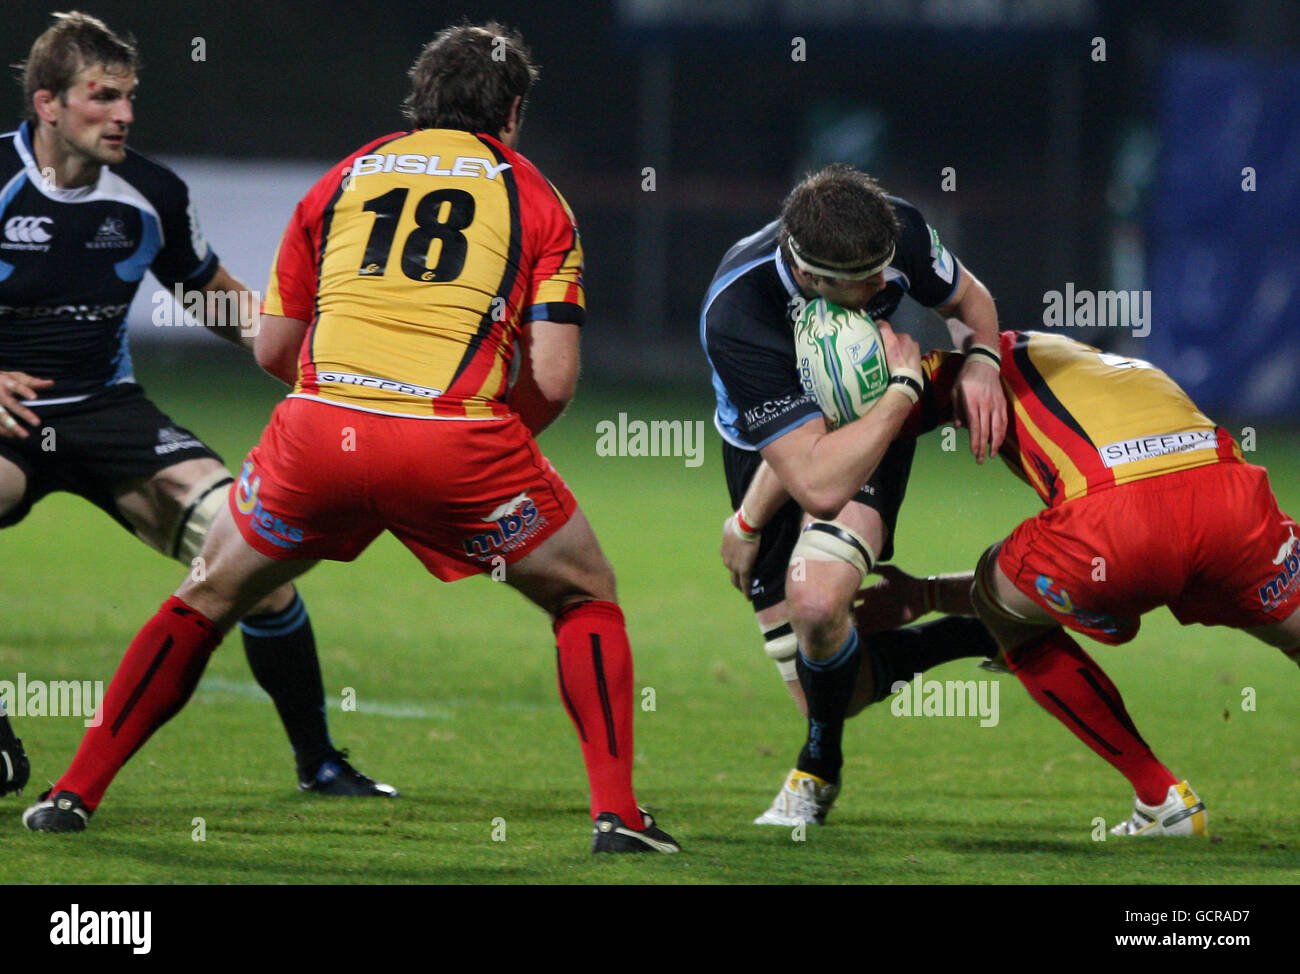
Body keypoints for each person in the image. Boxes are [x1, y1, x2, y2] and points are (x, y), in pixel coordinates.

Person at [23, 21, 681, 855]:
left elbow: (273, 347)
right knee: (584, 594)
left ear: (419, 100)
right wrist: (481, 450)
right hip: (455, 445)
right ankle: (618, 817)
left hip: (318, 430)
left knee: (207, 596)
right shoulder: (536, 199)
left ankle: (72, 793)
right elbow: (553, 378)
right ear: (511, 113)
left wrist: (349, 402)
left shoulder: (343, 179)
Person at [0, 11, 393, 799]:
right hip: (10, 418)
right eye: (103, 96)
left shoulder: (151, 193)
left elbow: (212, 298)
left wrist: (324, 367)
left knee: (251, 554)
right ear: (47, 103)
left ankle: (318, 760)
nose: (124, 114)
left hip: (111, 411)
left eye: (130, 96)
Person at [702, 164, 1007, 826]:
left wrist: (980, 361)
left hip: (873, 415)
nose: (883, 288)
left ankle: (816, 771)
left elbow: (970, 301)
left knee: (816, 601)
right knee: (839, 692)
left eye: (884, 271)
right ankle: (973, 633)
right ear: (809, 277)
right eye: (862, 283)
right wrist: (749, 520)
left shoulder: (895, 231)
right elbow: (811, 475)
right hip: (773, 449)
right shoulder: (739, 311)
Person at [959, 330, 1300, 835]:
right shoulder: (1130, 369)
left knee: (998, 600)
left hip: (1114, 533)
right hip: (1233, 501)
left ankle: (1162, 798)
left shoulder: (982, 365)